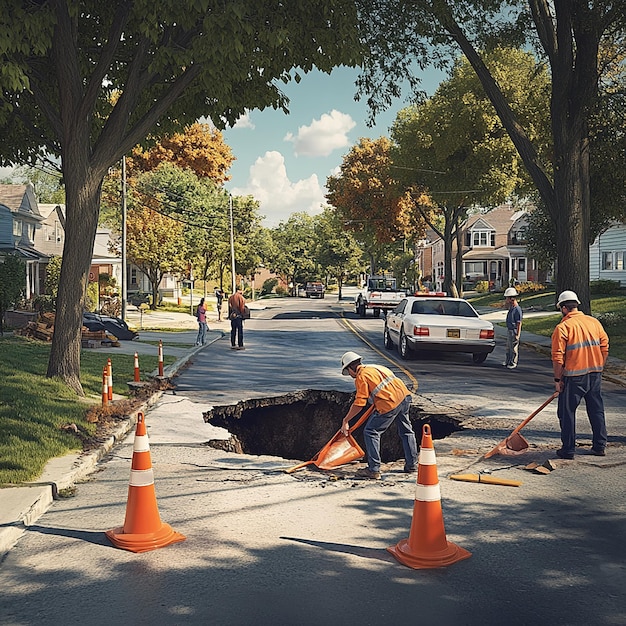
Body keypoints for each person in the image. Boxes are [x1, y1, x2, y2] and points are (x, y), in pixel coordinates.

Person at [339, 351, 418, 479]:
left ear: (350, 368)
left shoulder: (361, 377)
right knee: (406, 431)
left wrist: (346, 420)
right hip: (404, 397)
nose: (350, 375)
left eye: (348, 372)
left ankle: (373, 469)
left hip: (389, 404)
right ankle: (412, 465)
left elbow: (359, 403)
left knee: (371, 432)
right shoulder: (376, 367)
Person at [551, 290, 609, 459]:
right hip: (595, 374)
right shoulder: (594, 322)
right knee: (596, 410)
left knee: (566, 412)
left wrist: (557, 379)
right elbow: (605, 347)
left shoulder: (563, 328)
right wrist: (599, 365)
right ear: (576, 305)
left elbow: (557, 357)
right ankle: (599, 446)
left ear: (563, 308)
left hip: (574, 377)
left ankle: (568, 449)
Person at [503, 287, 523, 368]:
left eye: (507, 298)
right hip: (509, 329)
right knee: (508, 347)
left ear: (512, 299)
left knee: (513, 348)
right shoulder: (511, 308)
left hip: (514, 330)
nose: (506, 300)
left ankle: (513, 362)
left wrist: (517, 334)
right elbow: (504, 307)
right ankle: (507, 361)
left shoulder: (517, 309)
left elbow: (519, 323)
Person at [228, 286, 246, 350]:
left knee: (233, 330)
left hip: (232, 316)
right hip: (238, 316)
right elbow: (242, 307)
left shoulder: (231, 297)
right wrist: (243, 315)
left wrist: (230, 315)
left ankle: (233, 344)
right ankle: (240, 344)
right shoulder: (241, 298)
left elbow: (229, 307)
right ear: (239, 290)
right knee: (240, 331)